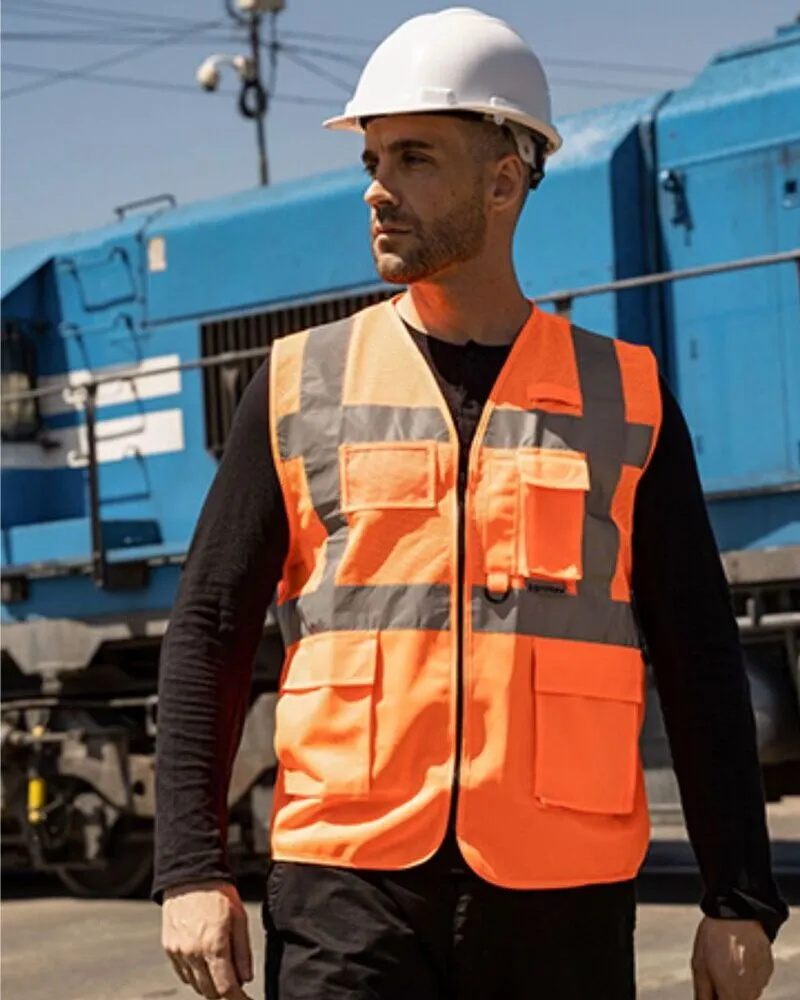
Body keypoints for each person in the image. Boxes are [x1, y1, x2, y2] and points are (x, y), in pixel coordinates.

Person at [154, 8, 788, 999]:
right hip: (345, 889)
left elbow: (700, 652)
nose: (375, 187)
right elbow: (208, 628)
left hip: (558, 893)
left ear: (503, 181)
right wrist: (190, 869)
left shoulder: (620, 394)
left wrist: (737, 894)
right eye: (371, 157)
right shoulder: (294, 383)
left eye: (412, 158)